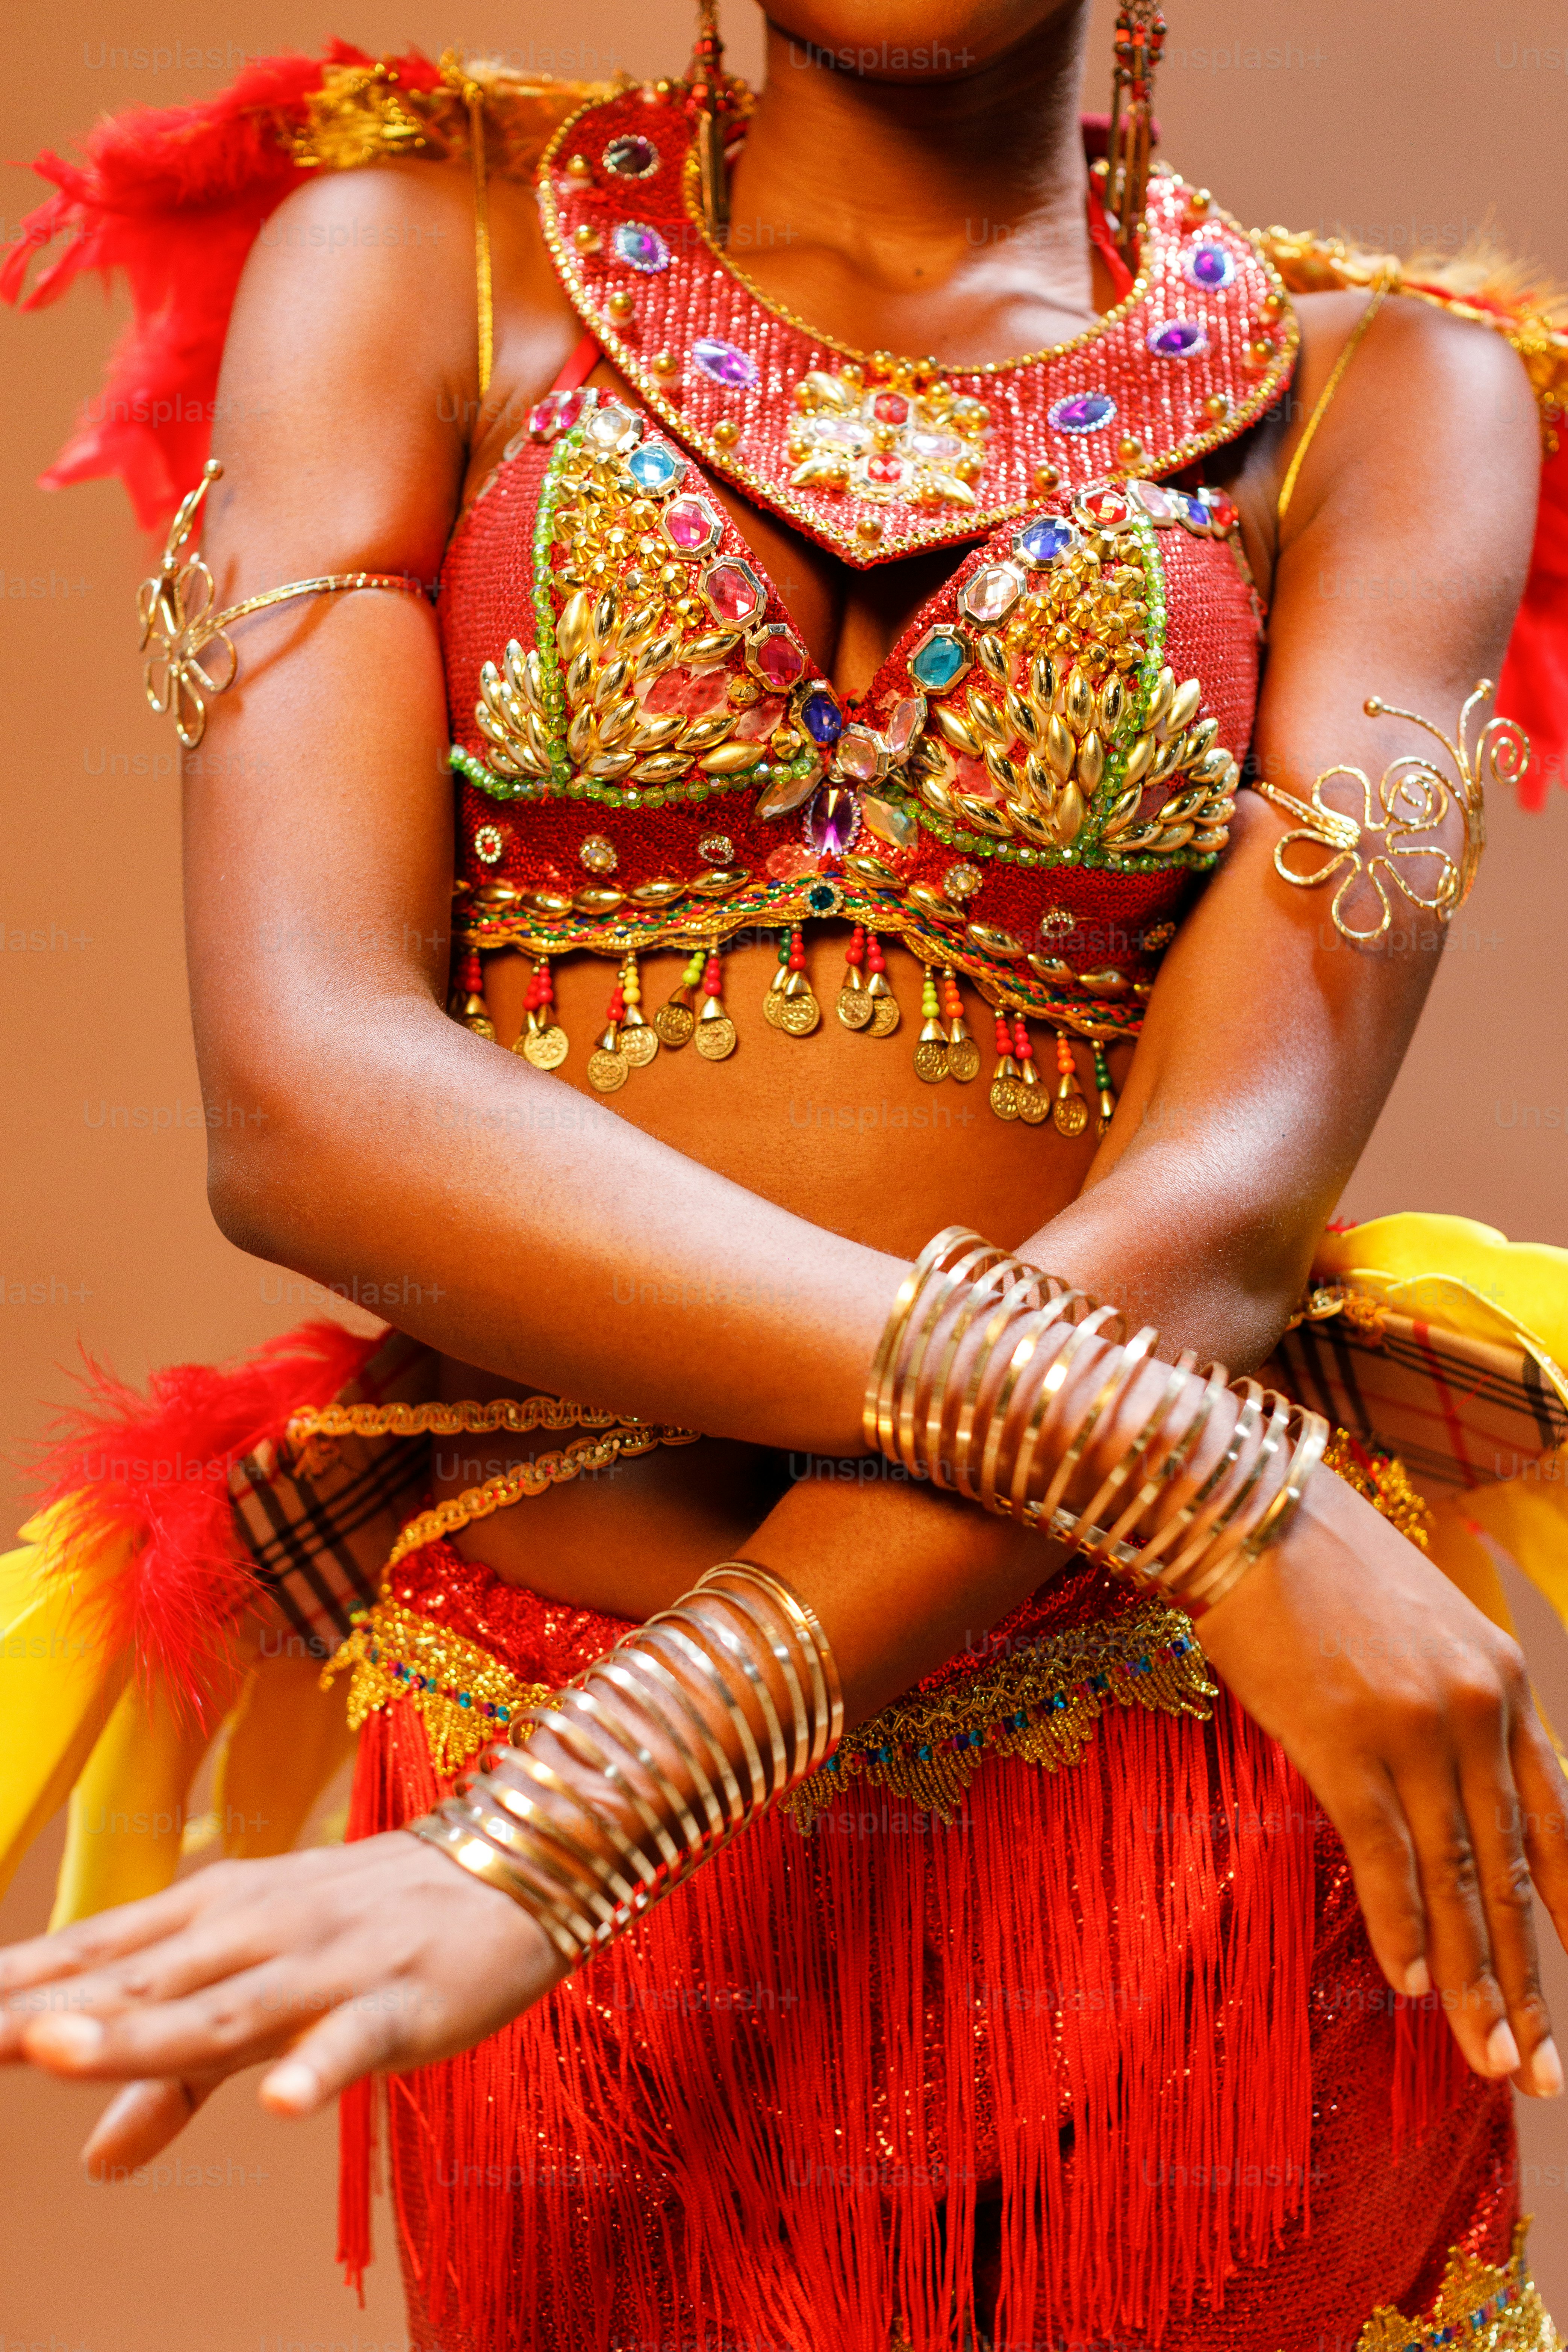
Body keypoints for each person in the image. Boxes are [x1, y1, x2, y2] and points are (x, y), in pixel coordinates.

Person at [3, 5, 1568, 2347]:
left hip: (1155, 1793)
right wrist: (1230, 1493)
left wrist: (574, 1818)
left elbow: (1220, 1214)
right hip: (570, 1821)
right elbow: (307, 1098)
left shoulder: (1387, 399)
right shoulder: (417, 267)